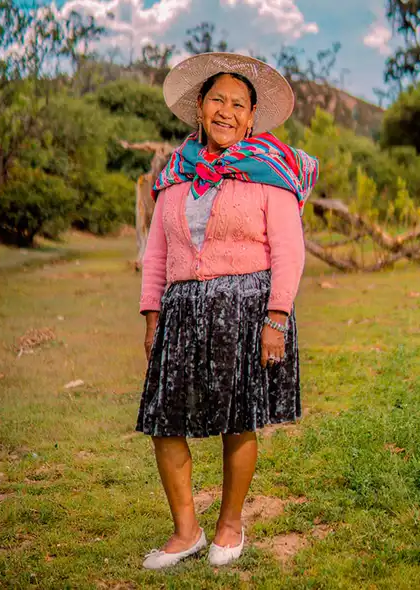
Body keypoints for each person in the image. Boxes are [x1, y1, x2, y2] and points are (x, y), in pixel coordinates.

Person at [136, 52, 318, 569]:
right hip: (182, 310)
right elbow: (156, 252)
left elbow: (289, 250)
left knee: (238, 421)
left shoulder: (270, 172)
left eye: (238, 104)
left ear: (251, 116)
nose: (226, 111)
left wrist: (276, 319)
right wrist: (153, 315)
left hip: (248, 309)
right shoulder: (174, 173)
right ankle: (185, 531)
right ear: (199, 104)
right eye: (217, 98)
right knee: (163, 421)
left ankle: (230, 526)